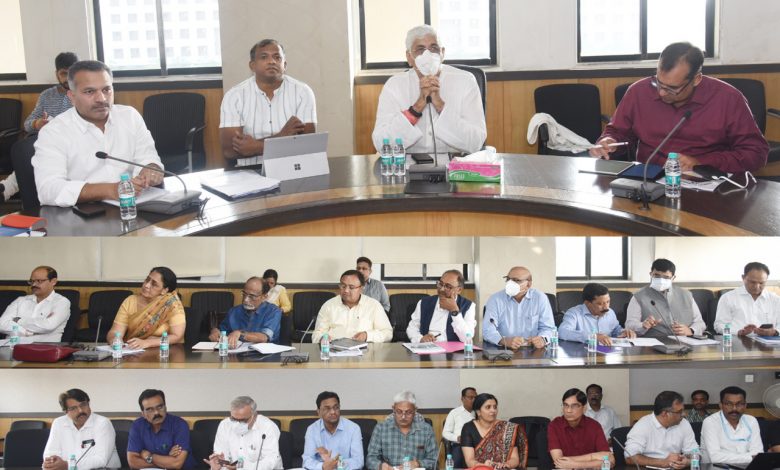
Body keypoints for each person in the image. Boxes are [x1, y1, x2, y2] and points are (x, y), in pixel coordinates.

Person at [590, 42, 768, 173]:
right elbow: (618, 133)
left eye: (672, 88)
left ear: (696, 79)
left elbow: (755, 153)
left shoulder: (728, 98)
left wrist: (700, 161)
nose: (661, 93)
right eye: (658, 83)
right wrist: (609, 142)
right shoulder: (639, 92)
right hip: (649, 178)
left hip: (706, 180)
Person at [33, 60, 164, 207]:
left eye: (106, 90)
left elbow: (148, 157)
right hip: (82, 213)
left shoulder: (130, 116)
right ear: (72, 96)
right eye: (89, 92)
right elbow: (48, 189)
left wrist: (150, 169)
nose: (101, 99)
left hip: (133, 205)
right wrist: (110, 190)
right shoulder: (53, 132)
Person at [371, 25, 486, 155]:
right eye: (420, 50)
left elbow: (476, 142)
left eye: (434, 48)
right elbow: (381, 144)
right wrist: (416, 108)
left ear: (442, 53)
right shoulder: (394, 85)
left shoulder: (465, 81)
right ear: (409, 57)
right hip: (407, 163)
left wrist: (440, 106)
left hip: (454, 164)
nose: (428, 55)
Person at [219, 39, 316, 167]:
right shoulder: (234, 96)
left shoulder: (302, 92)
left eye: (277, 57)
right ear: (252, 66)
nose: (272, 61)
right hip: (249, 171)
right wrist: (282, 136)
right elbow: (229, 151)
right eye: (264, 57)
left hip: (293, 168)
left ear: (285, 65)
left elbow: (307, 145)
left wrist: (256, 147)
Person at [1, 52, 78, 203]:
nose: (68, 78)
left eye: (72, 73)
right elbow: (27, 124)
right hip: (45, 139)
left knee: (39, 152)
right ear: (56, 74)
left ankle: (8, 188)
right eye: (64, 74)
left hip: (72, 141)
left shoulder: (83, 93)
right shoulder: (46, 95)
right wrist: (37, 123)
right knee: (30, 150)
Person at [106, 267, 186, 349]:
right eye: (147, 280)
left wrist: (147, 343)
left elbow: (177, 336)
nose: (146, 285)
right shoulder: (130, 301)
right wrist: (114, 340)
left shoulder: (171, 304)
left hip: (165, 351)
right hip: (133, 350)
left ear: (164, 290)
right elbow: (115, 331)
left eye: (154, 284)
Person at [625, 258, 706, 338]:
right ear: (651, 274)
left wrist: (690, 330)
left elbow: (700, 323)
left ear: (673, 278)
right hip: (652, 342)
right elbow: (629, 325)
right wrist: (642, 325)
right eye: (657, 275)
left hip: (684, 341)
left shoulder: (686, 295)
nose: (661, 280)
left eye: (666, 277)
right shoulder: (639, 296)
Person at [42, 388, 121, 469]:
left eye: (83, 405)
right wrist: (52, 462)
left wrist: (67, 465)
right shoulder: (58, 423)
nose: (80, 410)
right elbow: (50, 453)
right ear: (66, 411)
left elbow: (101, 460)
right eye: (73, 408)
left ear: (88, 403)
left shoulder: (102, 423)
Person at [483, 266, 556, 349]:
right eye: (508, 279)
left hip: (534, 349)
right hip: (504, 349)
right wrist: (503, 340)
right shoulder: (495, 299)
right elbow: (487, 330)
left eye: (516, 280)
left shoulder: (540, 298)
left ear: (528, 284)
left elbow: (549, 328)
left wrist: (543, 339)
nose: (510, 283)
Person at [312, 270, 392, 344]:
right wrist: (321, 338)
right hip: (334, 351)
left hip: (365, 352)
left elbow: (387, 333)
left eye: (351, 287)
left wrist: (367, 335)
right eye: (343, 286)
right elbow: (317, 334)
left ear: (361, 288)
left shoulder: (373, 305)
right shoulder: (329, 305)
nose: (346, 290)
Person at [624, 391, 698, 469]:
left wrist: (688, 462)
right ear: (665, 413)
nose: (684, 414)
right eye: (679, 412)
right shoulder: (643, 425)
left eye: (683, 410)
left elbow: (695, 452)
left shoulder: (684, 423)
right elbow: (630, 457)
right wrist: (662, 462)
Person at [366, 391, 438, 470]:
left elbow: (435, 461)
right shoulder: (381, 429)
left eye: (408, 412)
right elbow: (370, 459)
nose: (403, 417)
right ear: (393, 409)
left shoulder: (426, 430)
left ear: (415, 410)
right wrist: (380, 466)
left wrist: (418, 464)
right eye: (399, 412)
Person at [206, 396, 282, 470]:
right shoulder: (225, 425)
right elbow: (221, 455)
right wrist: (219, 465)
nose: (238, 423)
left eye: (243, 420)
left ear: (254, 415)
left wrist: (241, 467)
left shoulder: (268, 426)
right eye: (233, 419)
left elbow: (271, 460)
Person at [127, 389, 195, 469]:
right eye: (150, 409)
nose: (156, 412)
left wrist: (149, 457)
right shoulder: (137, 426)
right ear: (143, 414)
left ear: (165, 407)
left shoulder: (180, 424)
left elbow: (176, 463)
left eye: (160, 407)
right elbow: (133, 462)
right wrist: (167, 462)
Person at [0, 266, 70, 342]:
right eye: (32, 281)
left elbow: (48, 326)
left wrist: (18, 320)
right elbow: (2, 324)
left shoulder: (61, 302)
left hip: (42, 347)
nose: (34, 284)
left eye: (39, 281)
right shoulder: (20, 300)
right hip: (10, 345)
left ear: (53, 281)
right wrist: (26, 332)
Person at [547, 388, 612, 469]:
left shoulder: (594, 426)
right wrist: (594, 457)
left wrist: (576, 465)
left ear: (584, 408)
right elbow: (559, 462)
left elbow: (609, 460)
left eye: (574, 406)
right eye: (565, 405)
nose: (568, 410)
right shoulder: (555, 425)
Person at [208, 276, 282, 347]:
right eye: (244, 294)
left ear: (264, 297)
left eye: (252, 296)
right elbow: (222, 331)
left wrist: (240, 334)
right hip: (236, 353)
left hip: (265, 354)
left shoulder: (273, 311)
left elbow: (264, 337)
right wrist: (215, 331)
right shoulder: (234, 311)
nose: (246, 300)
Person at [406, 270, 476, 343]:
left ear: (459, 290)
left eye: (448, 287)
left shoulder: (468, 306)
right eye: (440, 284)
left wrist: (455, 312)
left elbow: (467, 338)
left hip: (453, 349)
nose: (442, 289)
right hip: (428, 347)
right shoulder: (424, 303)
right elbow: (412, 328)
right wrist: (420, 339)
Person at [701, 386, 763, 466]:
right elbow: (715, 457)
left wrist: (727, 457)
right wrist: (750, 457)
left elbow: (758, 452)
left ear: (745, 405)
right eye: (729, 404)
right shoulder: (710, 422)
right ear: (720, 405)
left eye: (739, 404)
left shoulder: (751, 421)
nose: (734, 409)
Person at [461, 393, 526, 469]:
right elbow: (469, 460)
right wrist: (484, 466)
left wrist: (506, 465)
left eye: (495, 407)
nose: (493, 410)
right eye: (488, 407)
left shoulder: (507, 429)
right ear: (478, 412)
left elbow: (515, 459)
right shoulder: (468, 428)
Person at [558, 283, 637, 345]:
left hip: (606, 353)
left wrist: (624, 332)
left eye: (608, 302)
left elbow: (615, 330)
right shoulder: (574, 313)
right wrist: (592, 336)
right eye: (600, 304)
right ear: (587, 303)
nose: (606, 307)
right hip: (583, 355)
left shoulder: (610, 312)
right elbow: (563, 332)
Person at [302, 391, 364, 470]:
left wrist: (336, 464)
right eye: (327, 409)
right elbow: (307, 461)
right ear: (318, 412)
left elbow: (358, 461)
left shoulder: (353, 428)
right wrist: (323, 467)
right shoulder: (312, 430)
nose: (333, 412)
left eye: (336, 407)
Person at [715, 262, 780, 336]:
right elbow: (719, 326)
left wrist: (775, 332)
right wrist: (738, 332)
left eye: (761, 283)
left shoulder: (776, 300)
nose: (757, 286)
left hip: (769, 341)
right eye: (753, 282)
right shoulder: (728, 298)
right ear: (743, 278)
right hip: (738, 340)